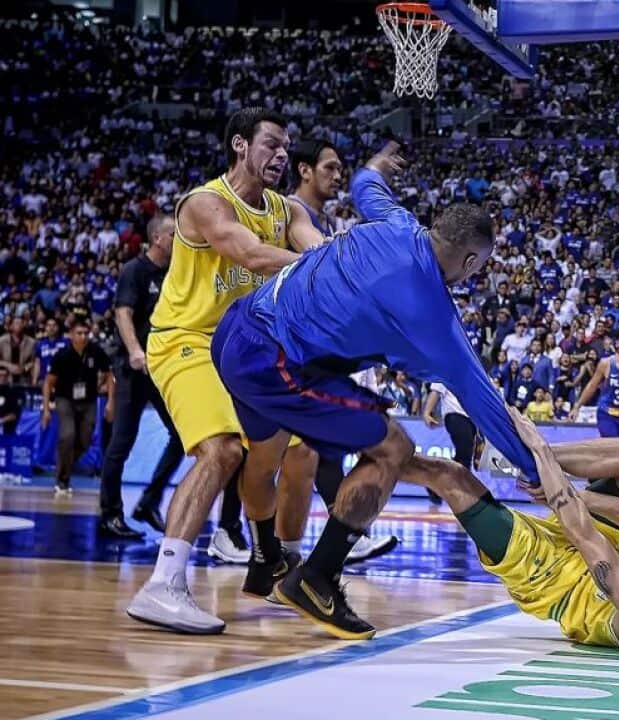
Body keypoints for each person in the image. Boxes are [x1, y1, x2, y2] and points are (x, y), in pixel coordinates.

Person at [210, 143, 543, 640]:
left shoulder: (397, 222)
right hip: (272, 362)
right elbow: (486, 405)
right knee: (393, 446)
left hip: (234, 328)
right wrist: (535, 470)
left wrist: (375, 166)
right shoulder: (434, 320)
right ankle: (317, 577)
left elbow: (367, 186)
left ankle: (265, 561)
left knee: (268, 456)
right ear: (471, 261)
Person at [126, 107, 325, 635]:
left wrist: (341, 260)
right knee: (222, 450)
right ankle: (162, 584)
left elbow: (315, 243)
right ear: (240, 145)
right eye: (271, 144)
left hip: (243, 352)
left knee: (301, 448)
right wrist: (323, 268)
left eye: (287, 147)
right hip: (186, 342)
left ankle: (275, 559)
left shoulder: (286, 210)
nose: (282, 155)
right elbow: (251, 253)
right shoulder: (204, 203)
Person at [400, 408, 619, 656]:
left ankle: (376, 458)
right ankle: (511, 456)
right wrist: (577, 492)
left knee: (447, 475)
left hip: (550, 574)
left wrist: (543, 453)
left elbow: (586, 536)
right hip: (591, 536)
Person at [286, 138, 399, 564]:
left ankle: (317, 542)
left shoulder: (324, 218)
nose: (338, 176)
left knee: (316, 449)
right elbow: (323, 265)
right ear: (305, 170)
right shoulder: (291, 210)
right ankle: (251, 542)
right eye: (331, 168)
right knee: (265, 451)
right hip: (281, 345)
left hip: (309, 349)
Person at [97, 213, 184, 539]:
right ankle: (110, 514)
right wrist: (135, 351)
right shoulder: (135, 270)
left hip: (162, 369)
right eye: (174, 235)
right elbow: (123, 312)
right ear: (158, 238)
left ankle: (148, 502)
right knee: (121, 443)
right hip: (133, 369)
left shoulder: (176, 272)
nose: (179, 240)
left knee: (182, 437)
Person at [42, 319, 112, 497]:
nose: (83, 336)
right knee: (67, 435)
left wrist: (111, 401)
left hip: (88, 400)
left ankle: (63, 465)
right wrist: (46, 410)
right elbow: (48, 382)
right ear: (71, 335)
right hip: (65, 399)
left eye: (85, 333)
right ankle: (62, 480)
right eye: (79, 333)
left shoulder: (96, 351)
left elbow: (110, 374)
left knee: (85, 440)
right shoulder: (62, 355)